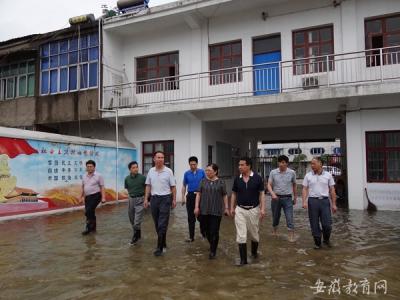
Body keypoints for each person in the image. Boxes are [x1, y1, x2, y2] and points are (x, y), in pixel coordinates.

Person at [230, 157, 265, 266]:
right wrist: (232, 207)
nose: (239, 167)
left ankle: (254, 253)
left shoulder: (258, 178)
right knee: (241, 235)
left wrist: (263, 209)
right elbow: (234, 194)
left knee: (254, 234)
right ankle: (243, 261)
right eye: (239, 165)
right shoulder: (237, 179)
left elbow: (262, 194)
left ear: (249, 166)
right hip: (240, 209)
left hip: (254, 209)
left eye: (242, 165)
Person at [144, 151, 177, 256]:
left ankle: (159, 247)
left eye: (162, 157)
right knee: (157, 223)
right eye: (158, 157)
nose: (160, 159)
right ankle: (163, 242)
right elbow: (148, 185)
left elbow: (173, 187)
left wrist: (174, 199)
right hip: (154, 199)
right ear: (154, 159)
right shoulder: (151, 171)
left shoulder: (169, 171)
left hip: (165, 199)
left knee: (162, 223)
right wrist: (146, 199)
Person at [194, 163, 228, 259]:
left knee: (214, 231)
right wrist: (196, 207)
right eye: (206, 170)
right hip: (204, 210)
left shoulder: (221, 182)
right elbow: (198, 194)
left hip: (216, 211)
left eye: (209, 170)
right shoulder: (202, 181)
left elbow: (224, 195)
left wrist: (226, 208)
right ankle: (212, 243)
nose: (207, 172)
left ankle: (213, 251)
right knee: (204, 230)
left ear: (215, 171)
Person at [302, 157, 337, 249]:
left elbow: (332, 190)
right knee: (314, 223)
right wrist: (304, 201)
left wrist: (333, 204)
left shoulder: (328, 175)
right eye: (311, 164)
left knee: (327, 224)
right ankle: (317, 243)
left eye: (314, 163)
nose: (312, 165)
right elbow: (305, 189)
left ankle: (326, 240)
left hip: (324, 201)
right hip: (312, 201)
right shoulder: (308, 175)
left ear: (320, 163)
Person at [267, 155, 297, 242]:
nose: (281, 164)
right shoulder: (273, 172)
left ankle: (291, 237)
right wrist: (272, 193)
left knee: (289, 217)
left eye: (283, 162)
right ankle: (274, 233)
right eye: (279, 162)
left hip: (287, 198)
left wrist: (295, 197)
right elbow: (269, 184)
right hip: (276, 198)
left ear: (287, 163)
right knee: (275, 217)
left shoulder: (292, 172)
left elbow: (294, 184)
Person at [181, 156, 206, 242]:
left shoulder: (202, 172)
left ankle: (203, 234)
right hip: (191, 196)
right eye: (191, 164)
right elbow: (184, 185)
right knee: (190, 217)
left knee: (201, 216)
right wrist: (183, 197)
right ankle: (191, 237)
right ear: (189, 164)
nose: (193, 166)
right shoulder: (186, 173)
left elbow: (206, 183)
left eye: (194, 164)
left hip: (201, 196)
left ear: (197, 164)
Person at [81, 160, 106, 235]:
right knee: (91, 212)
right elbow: (83, 187)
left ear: (94, 167)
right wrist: (81, 196)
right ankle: (93, 229)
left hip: (96, 196)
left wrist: (103, 197)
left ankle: (88, 229)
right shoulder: (84, 176)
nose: (89, 168)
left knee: (88, 211)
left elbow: (102, 187)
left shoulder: (99, 176)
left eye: (91, 166)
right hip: (87, 197)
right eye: (88, 166)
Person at [125, 161, 146, 245]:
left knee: (137, 220)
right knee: (132, 219)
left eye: (136, 167)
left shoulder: (142, 178)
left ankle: (135, 237)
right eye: (133, 168)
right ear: (130, 169)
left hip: (140, 199)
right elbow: (127, 188)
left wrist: (145, 199)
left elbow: (146, 188)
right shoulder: (127, 179)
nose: (136, 169)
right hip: (131, 199)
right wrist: (130, 197)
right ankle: (138, 233)